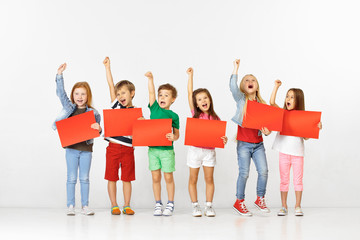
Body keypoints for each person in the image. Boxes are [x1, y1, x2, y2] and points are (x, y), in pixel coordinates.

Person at [53, 63, 101, 216]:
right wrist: (59, 75)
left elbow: (99, 129)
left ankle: (85, 206)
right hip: (71, 150)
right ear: (73, 96)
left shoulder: (93, 112)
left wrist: (99, 128)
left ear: (88, 96)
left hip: (86, 150)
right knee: (71, 178)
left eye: (83, 94)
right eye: (77, 94)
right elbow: (61, 93)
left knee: (85, 178)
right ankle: (71, 205)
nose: (80, 97)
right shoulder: (69, 108)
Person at [270, 80, 322, 216]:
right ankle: (283, 206)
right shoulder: (282, 113)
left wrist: (316, 128)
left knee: (298, 180)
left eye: (292, 97)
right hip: (284, 152)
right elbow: (271, 103)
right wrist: (276, 87)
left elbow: (306, 137)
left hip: (297, 153)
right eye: (287, 96)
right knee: (284, 180)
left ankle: (298, 206)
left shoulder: (302, 118)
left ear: (298, 101)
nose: (288, 99)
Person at [230, 59, 271, 216]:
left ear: (257, 86)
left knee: (264, 171)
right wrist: (236, 68)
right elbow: (233, 87)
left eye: (253, 80)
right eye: (246, 80)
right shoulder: (241, 100)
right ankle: (239, 201)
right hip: (244, 145)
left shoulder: (262, 104)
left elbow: (268, 129)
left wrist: (267, 132)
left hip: (258, 144)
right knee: (244, 173)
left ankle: (260, 198)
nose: (250, 81)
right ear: (243, 86)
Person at [186, 67, 227, 217]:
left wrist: (224, 139)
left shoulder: (216, 118)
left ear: (210, 99)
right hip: (195, 151)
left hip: (209, 152)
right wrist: (191, 77)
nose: (203, 101)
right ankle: (195, 206)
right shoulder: (195, 115)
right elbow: (190, 94)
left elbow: (219, 136)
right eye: (200, 99)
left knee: (209, 178)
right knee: (193, 178)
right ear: (196, 104)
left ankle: (209, 206)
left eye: (205, 97)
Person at [103, 57, 137, 215]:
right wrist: (107, 68)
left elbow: (140, 132)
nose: (120, 96)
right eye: (118, 94)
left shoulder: (136, 112)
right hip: (113, 148)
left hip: (128, 149)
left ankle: (127, 205)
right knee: (111, 177)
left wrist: (142, 122)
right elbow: (111, 84)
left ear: (132, 93)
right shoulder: (115, 105)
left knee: (127, 178)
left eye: (123, 93)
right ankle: (114, 204)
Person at [145, 71, 179, 216]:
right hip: (153, 150)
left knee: (168, 177)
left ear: (173, 99)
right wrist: (151, 79)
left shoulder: (174, 115)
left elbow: (177, 134)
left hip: (167, 151)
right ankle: (158, 203)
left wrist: (174, 137)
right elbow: (151, 92)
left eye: (166, 95)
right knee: (155, 177)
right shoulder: (155, 108)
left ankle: (170, 203)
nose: (162, 97)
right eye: (161, 95)